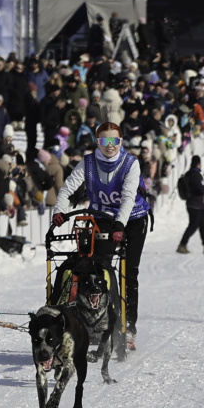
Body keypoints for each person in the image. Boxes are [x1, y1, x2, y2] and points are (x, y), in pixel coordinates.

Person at [52, 121, 152, 351]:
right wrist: (59, 211)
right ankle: (97, 321)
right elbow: (68, 188)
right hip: (103, 216)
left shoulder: (130, 163)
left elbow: (128, 197)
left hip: (134, 218)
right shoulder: (87, 163)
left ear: (121, 142)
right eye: (104, 141)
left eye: (114, 140)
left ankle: (128, 328)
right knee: (97, 267)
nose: (110, 146)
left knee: (129, 270)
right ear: (97, 142)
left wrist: (120, 224)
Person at [177, 155, 204, 254]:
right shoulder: (195, 175)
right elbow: (201, 188)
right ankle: (182, 245)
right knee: (193, 225)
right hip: (195, 204)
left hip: (197, 204)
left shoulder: (191, 174)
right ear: (199, 164)